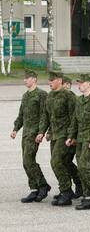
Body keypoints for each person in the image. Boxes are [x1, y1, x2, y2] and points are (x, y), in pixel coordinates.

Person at [66, 74, 90, 210]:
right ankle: (87, 196)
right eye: (79, 82)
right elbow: (74, 120)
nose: (79, 85)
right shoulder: (79, 100)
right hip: (81, 138)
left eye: (82, 83)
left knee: (84, 166)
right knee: (82, 167)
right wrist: (71, 136)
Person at [37, 71, 76, 206]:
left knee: (56, 162)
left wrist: (72, 135)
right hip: (55, 134)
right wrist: (42, 131)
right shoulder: (50, 96)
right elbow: (46, 116)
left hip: (65, 135)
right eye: (49, 80)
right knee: (60, 162)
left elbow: (74, 118)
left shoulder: (68, 96)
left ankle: (66, 192)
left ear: (59, 81)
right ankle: (66, 190)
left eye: (52, 80)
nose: (50, 82)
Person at [11, 69, 51, 203]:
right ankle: (35, 189)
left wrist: (41, 132)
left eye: (27, 78)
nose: (24, 80)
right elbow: (21, 114)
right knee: (26, 162)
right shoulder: (25, 95)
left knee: (29, 160)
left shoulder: (41, 94)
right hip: (26, 133)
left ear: (34, 79)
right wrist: (16, 128)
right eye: (24, 78)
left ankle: (43, 185)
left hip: (34, 133)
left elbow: (44, 115)